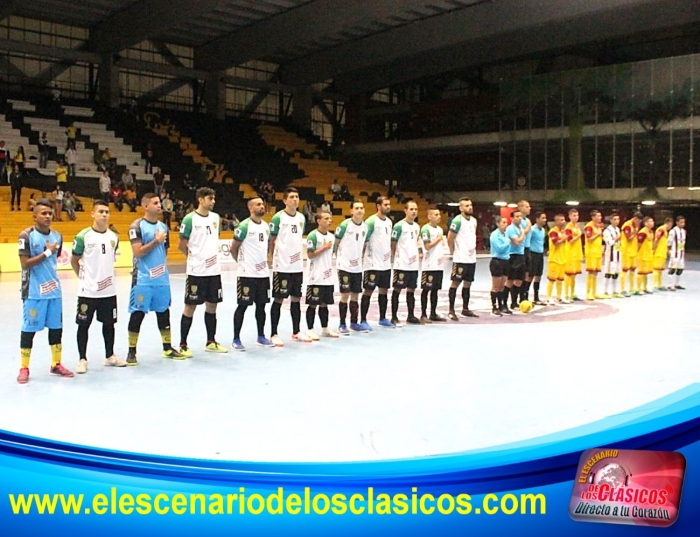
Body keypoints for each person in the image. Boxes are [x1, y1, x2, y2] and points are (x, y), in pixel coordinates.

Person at [16, 199, 73, 383]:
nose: (48, 216)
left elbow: (53, 262)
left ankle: (56, 364)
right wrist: (47, 252)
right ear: (35, 216)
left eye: (50, 213)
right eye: (44, 213)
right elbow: (25, 264)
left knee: (56, 329)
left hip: (54, 291)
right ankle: (24, 368)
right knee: (29, 329)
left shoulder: (58, 236)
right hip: (33, 292)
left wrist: (49, 254)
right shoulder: (26, 236)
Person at [125, 193, 185, 365]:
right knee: (138, 313)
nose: (159, 205)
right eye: (155, 203)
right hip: (143, 280)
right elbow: (138, 252)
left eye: (160, 203)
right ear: (145, 206)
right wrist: (156, 241)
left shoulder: (164, 227)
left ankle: (167, 348)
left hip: (162, 280)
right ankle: (131, 352)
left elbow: (164, 251)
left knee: (163, 312)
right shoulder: (136, 226)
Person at [71, 200, 127, 373]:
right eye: (101, 211)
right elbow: (74, 260)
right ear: (92, 214)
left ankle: (110, 356)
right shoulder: (83, 236)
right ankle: (82, 359)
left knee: (109, 324)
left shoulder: (113, 237)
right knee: (83, 325)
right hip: (88, 291)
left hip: (109, 291)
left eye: (107, 212)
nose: (104, 214)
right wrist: (83, 278)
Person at [177, 187, 228, 356]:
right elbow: (181, 244)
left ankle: (211, 341)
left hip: (214, 271)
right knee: (190, 307)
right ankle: (183, 344)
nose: (213, 201)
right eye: (210, 198)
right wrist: (193, 258)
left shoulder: (216, 218)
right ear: (200, 200)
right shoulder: (190, 219)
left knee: (212, 306)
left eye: (214, 198)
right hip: (196, 272)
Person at [230, 197, 274, 350]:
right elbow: (233, 248)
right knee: (242, 306)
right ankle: (236, 338)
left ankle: (261, 336)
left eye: (262, 204)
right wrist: (242, 264)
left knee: (261, 307)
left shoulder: (266, 226)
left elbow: (268, 246)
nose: (262, 206)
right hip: (247, 275)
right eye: (258, 204)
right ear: (250, 208)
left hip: (262, 275)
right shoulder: (244, 226)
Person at [268, 187, 309, 345]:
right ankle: (273, 333)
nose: (295, 199)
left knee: (296, 299)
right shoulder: (278, 218)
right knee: (279, 299)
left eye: (297, 197)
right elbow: (271, 240)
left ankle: (296, 331)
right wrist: (272, 259)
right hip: (282, 266)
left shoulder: (301, 218)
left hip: (297, 266)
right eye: (291, 197)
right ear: (284, 200)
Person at [334, 200, 367, 335]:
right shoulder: (344, 225)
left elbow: (364, 245)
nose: (359, 210)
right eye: (356, 208)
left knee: (355, 296)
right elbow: (336, 243)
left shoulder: (365, 227)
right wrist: (338, 258)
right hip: (344, 266)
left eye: (361, 208)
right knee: (345, 295)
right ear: (351, 211)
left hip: (357, 267)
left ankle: (354, 322)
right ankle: (342, 324)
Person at [361, 196, 394, 330]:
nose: (388, 206)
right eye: (385, 204)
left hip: (385, 264)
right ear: (378, 206)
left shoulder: (389, 222)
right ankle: (363, 319)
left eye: (389, 204)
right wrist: (361, 258)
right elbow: (364, 240)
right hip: (372, 264)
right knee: (368, 291)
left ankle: (382, 318)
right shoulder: (371, 221)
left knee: (384, 291)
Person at [305, 211, 338, 339]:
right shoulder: (313, 235)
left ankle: (325, 328)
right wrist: (324, 248)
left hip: (327, 276)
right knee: (313, 304)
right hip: (315, 276)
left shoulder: (332, 236)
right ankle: (310, 329)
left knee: (325, 304)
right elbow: (310, 254)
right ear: (318, 221)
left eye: (330, 218)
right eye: (326, 218)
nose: (329, 221)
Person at [390, 200, 422, 326]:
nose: (414, 211)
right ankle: (394, 316)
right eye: (411, 209)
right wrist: (396, 256)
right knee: (397, 290)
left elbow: (417, 242)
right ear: (405, 210)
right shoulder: (399, 226)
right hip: (401, 264)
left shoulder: (417, 227)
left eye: (416, 209)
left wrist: (419, 253)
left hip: (413, 265)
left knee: (411, 290)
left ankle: (411, 315)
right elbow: (393, 243)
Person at [447, 197, 478, 320]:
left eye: (470, 205)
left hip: (472, 259)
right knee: (455, 283)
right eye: (466, 205)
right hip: (460, 259)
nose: (469, 207)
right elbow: (450, 238)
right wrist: (453, 251)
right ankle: (451, 310)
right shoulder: (457, 221)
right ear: (460, 208)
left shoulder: (474, 221)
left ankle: (465, 308)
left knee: (468, 284)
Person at [420, 206, 446, 323]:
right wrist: (438, 239)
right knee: (426, 290)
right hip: (429, 265)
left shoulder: (440, 229)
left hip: (438, 265)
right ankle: (423, 314)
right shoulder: (425, 229)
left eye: (439, 214)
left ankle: (433, 313)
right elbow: (427, 246)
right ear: (429, 216)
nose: (438, 217)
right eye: (435, 215)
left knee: (435, 290)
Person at [504, 209, 527, 309]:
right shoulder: (511, 229)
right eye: (517, 216)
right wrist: (523, 233)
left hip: (521, 255)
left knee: (519, 280)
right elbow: (517, 242)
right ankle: (503, 302)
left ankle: (514, 302)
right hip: (513, 256)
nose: (519, 218)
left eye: (520, 216)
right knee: (510, 280)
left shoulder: (521, 228)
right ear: (512, 218)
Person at [489, 216, 511, 315]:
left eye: (506, 222)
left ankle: (501, 305)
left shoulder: (506, 235)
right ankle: (494, 307)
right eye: (503, 222)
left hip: (506, 261)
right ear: (498, 224)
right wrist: (507, 243)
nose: (505, 224)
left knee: (502, 286)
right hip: (497, 261)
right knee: (496, 286)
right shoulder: (494, 235)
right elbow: (499, 248)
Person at [546, 214, 568, 305]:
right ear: (557, 221)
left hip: (563, 258)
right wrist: (564, 238)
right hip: (554, 259)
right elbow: (556, 243)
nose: (564, 221)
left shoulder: (563, 232)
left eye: (564, 220)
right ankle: (548, 297)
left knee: (560, 279)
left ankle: (559, 297)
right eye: (561, 220)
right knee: (552, 279)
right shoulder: (553, 232)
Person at [620, 211, 643, 297]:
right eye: (639, 221)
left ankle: (632, 289)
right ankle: (622, 289)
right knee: (625, 270)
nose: (639, 223)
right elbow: (629, 238)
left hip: (633, 251)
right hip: (626, 251)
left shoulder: (635, 225)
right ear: (635, 218)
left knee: (633, 270)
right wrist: (635, 232)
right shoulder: (627, 225)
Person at [584, 210, 604, 300]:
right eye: (598, 216)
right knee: (591, 272)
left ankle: (594, 292)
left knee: (595, 272)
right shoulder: (589, 226)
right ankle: (588, 293)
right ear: (593, 217)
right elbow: (589, 239)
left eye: (600, 216)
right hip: (591, 252)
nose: (600, 217)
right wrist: (597, 234)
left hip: (597, 252)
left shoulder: (599, 226)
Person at [563, 208, 582, 303]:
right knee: (568, 274)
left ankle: (572, 294)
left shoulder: (577, 227)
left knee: (574, 275)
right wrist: (579, 235)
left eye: (577, 215)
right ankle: (566, 294)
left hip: (576, 252)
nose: (576, 217)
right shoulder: (568, 227)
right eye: (574, 215)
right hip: (570, 253)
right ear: (569, 216)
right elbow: (570, 240)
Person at [529, 211, 548, 305]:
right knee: (530, 276)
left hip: (540, 255)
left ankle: (536, 298)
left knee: (538, 276)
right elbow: (528, 242)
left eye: (545, 218)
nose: (545, 220)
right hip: (532, 255)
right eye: (543, 218)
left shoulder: (543, 230)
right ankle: (525, 296)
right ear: (537, 219)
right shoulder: (532, 230)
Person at [602, 213, 622, 298]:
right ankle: (605, 291)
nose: (616, 221)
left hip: (617, 255)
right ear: (610, 220)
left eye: (618, 219)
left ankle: (614, 291)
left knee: (616, 273)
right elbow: (609, 242)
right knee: (608, 273)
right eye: (614, 219)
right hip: (610, 256)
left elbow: (618, 243)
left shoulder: (617, 229)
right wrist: (616, 238)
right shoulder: (607, 231)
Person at [517, 199, 533, 303]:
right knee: (519, 276)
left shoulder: (527, 221)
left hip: (528, 249)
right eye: (527, 206)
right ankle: (517, 298)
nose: (529, 208)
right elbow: (521, 234)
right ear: (521, 208)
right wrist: (528, 227)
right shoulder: (519, 221)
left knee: (529, 274)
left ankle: (524, 295)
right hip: (520, 250)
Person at [653, 217, 674, 291]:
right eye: (671, 224)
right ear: (669, 223)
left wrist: (667, 252)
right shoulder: (661, 230)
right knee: (656, 269)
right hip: (658, 253)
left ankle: (659, 285)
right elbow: (656, 240)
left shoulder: (665, 231)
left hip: (662, 253)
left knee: (660, 270)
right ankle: (655, 285)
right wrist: (654, 250)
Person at [668, 215, 686, 291]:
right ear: (677, 223)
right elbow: (669, 242)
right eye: (681, 222)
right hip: (674, 254)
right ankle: (670, 285)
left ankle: (677, 284)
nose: (683, 224)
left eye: (684, 222)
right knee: (672, 269)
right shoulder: (673, 231)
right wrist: (669, 251)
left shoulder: (683, 231)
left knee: (680, 269)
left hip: (681, 253)